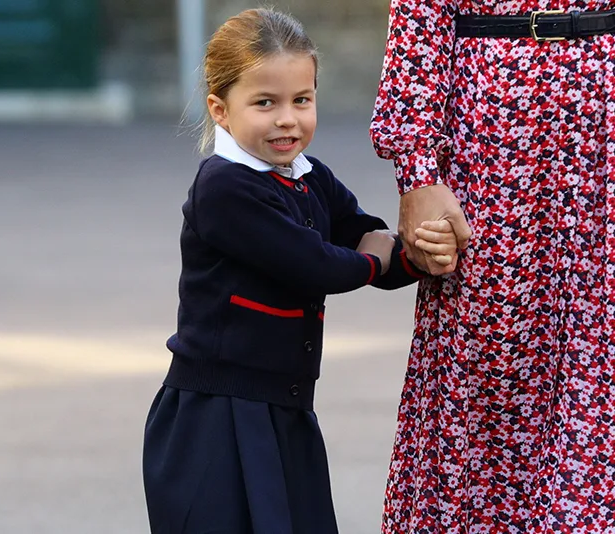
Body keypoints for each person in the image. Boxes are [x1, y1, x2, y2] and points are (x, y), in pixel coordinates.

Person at [142, 8, 457, 534]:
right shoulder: (223, 189)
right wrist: (378, 254)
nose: (287, 119)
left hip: (285, 413)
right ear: (220, 109)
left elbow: (363, 230)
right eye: (265, 103)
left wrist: (420, 253)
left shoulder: (310, 177)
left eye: (301, 101)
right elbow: (316, 264)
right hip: (215, 418)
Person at [371, 0, 615, 532]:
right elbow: (421, 11)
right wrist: (417, 170)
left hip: (606, 119)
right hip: (495, 135)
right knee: (490, 370)